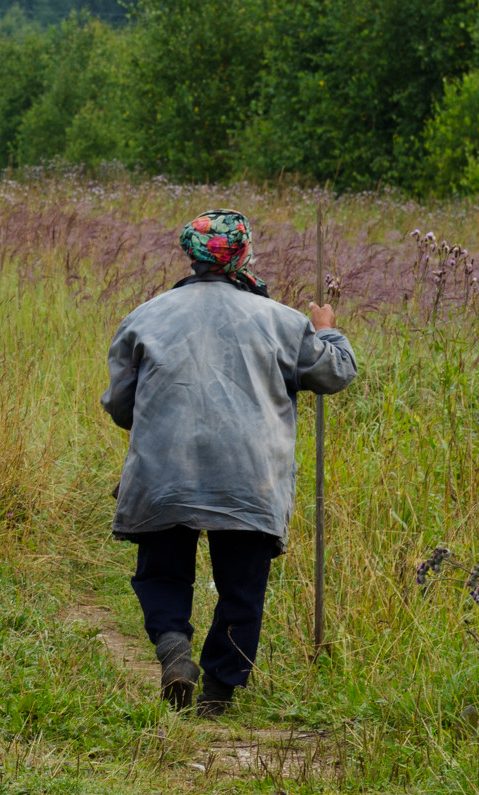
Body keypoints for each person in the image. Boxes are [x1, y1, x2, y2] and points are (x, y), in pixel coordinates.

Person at [100, 209, 357, 717]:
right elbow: (335, 374)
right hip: (250, 480)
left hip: (163, 475)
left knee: (161, 574)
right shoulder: (284, 320)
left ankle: (174, 648)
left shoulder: (146, 316)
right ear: (244, 254)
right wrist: (327, 330)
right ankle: (217, 692)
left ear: (190, 257)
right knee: (242, 587)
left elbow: (119, 406)